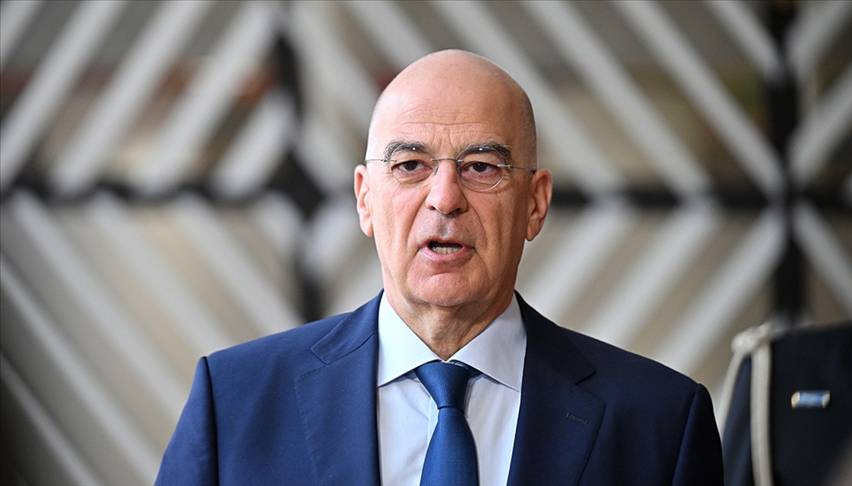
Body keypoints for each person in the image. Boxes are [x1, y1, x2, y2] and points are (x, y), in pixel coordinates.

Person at [156, 49, 724, 485]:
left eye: (481, 167)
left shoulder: (659, 422)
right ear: (365, 199)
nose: (445, 198)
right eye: (410, 165)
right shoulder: (234, 403)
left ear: (535, 203)